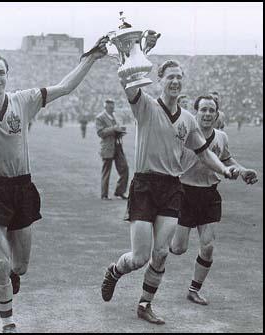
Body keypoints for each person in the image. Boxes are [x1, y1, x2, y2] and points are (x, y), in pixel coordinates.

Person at [0, 2, 108, 333]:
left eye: (1, 72)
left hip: (22, 189)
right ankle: (8, 322)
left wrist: (91, 57)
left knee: (21, 267)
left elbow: (65, 87)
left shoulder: (24, 100)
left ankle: (9, 277)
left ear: (7, 74)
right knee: (0, 263)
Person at [101, 32, 236, 325]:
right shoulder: (146, 105)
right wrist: (131, 53)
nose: (175, 82)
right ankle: (114, 271)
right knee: (139, 257)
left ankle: (145, 304)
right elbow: (128, 83)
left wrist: (226, 170)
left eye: (179, 78)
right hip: (145, 185)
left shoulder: (187, 119)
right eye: (170, 77)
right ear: (160, 80)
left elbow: (204, 152)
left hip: (172, 187)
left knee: (161, 253)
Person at [170, 95, 258, 305]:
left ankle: (194, 290)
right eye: (204, 110)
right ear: (196, 112)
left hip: (209, 194)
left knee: (208, 247)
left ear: (217, 114)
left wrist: (243, 171)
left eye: (212, 110)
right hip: (185, 193)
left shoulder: (221, 137)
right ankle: (161, 234)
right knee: (178, 249)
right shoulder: (185, 135)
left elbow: (226, 159)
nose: (208, 114)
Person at [95, 99, 129, 200]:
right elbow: (100, 133)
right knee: (106, 171)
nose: (112, 109)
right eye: (110, 107)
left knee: (125, 169)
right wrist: (114, 129)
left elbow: (117, 128)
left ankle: (120, 192)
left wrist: (121, 130)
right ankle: (104, 195)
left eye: (113, 107)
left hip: (118, 146)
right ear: (105, 107)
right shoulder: (100, 117)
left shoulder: (115, 116)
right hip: (107, 147)